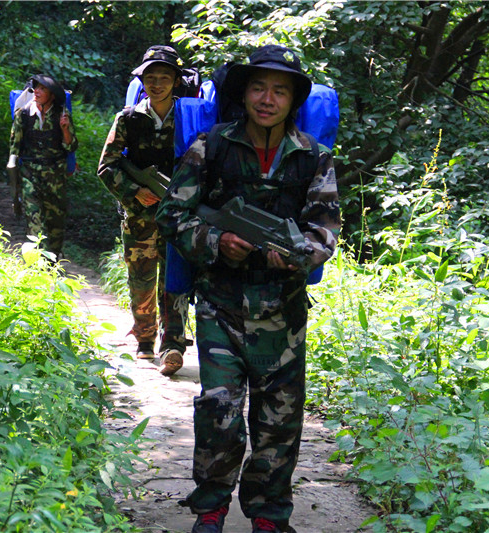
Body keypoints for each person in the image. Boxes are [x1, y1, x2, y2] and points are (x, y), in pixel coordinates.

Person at [155, 45, 341, 533]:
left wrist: (298, 254)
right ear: (244, 94)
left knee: (279, 420)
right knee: (218, 409)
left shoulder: (313, 157)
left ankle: (269, 516)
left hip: (283, 311)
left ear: (293, 100)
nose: (267, 99)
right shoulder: (210, 146)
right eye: (259, 87)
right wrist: (216, 241)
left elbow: (325, 231)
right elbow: (172, 215)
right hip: (221, 304)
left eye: (280, 90)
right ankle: (211, 509)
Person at [97, 45, 189, 376]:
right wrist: (135, 192)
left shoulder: (190, 117)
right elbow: (106, 167)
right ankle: (145, 340)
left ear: (176, 81)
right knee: (141, 280)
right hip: (139, 217)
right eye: (151, 78)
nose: (157, 84)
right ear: (142, 81)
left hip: (179, 216)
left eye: (164, 77)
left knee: (175, 281)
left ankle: (173, 344)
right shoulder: (128, 119)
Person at [8, 74, 78, 260]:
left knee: (56, 227)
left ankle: (51, 263)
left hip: (55, 178)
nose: (36, 92)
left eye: (42, 89)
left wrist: (65, 129)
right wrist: (15, 187)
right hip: (30, 176)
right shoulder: (23, 114)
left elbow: (71, 147)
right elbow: (14, 149)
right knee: (35, 224)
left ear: (52, 95)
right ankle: (38, 265)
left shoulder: (62, 116)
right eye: (35, 88)